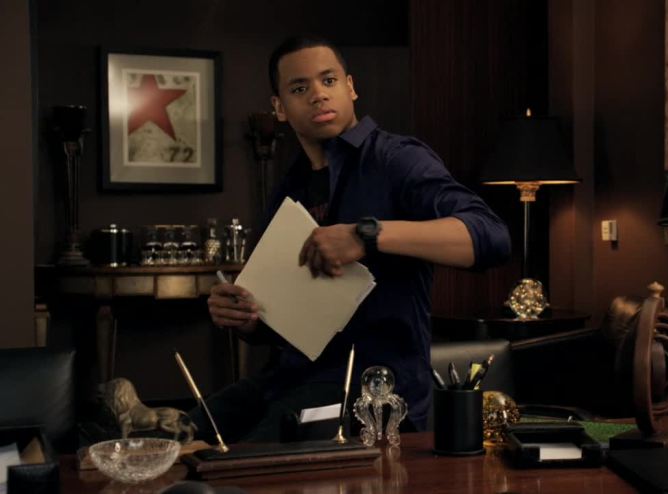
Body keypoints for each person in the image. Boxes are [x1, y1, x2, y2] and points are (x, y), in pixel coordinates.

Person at [196, 35, 511, 443]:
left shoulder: (397, 158)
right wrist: (244, 316)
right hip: (288, 378)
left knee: (244, 458)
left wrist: (369, 235)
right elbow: (275, 322)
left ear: (350, 87)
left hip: (373, 389)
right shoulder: (289, 187)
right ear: (279, 108)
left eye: (328, 81)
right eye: (299, 88)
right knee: (177, 438)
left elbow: (491, 236)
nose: (318, 95)